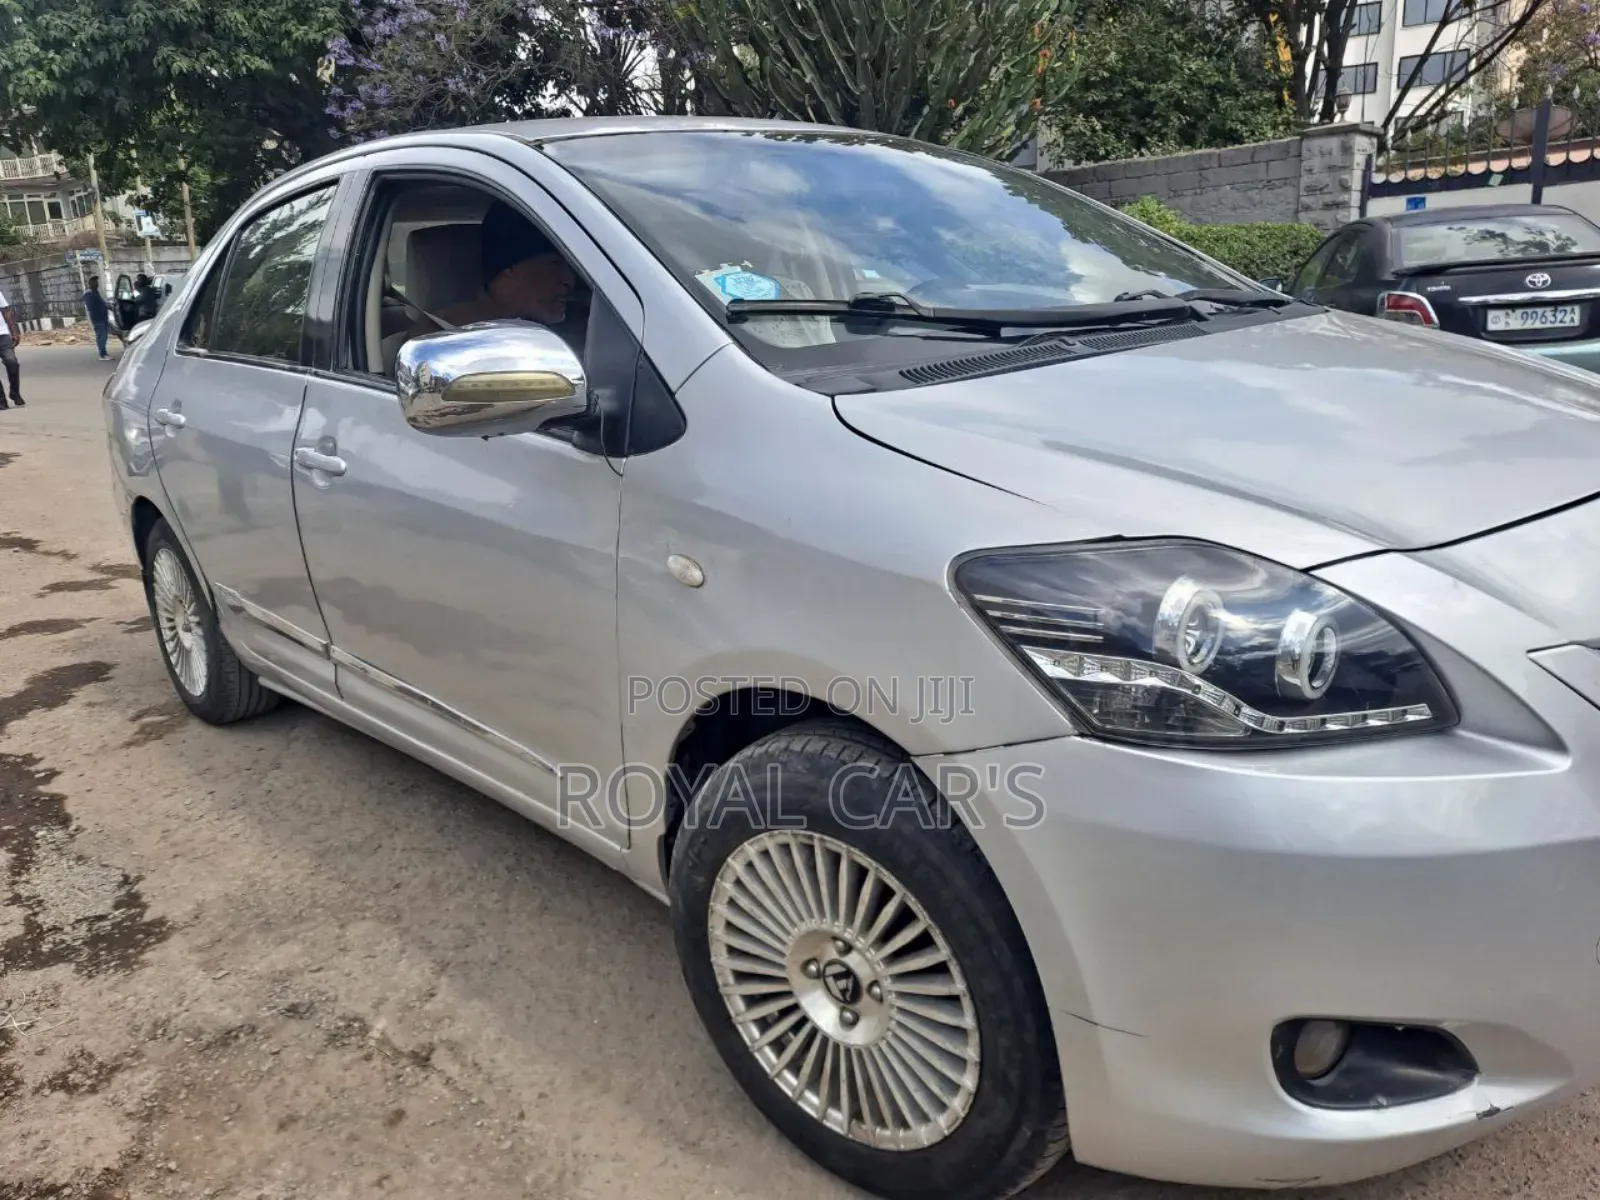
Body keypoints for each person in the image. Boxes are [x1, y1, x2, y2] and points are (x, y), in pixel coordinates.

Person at [407, 200, 575, 339]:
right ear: (509, 268)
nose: (569, 281)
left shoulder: (590, 328)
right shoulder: (444, 334)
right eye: (555, 264)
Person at [0, 287, 22, 410]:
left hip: (2, 334)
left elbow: (7, 310)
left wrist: (14, 331)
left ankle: (14, 392)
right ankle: (1, 401)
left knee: (12, 362)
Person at [83, 274, 111, 360]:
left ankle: (104, 353)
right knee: (101, 336)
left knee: (104, 336)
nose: (96, 283)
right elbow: (90, 306)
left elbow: (101, 303)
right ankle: (102, 355)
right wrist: (101, 307)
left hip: (102, 318)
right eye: (94, 282)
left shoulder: (96, 292)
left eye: (96, 282)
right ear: (90, 283)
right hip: (97, 318)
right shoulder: (88, 294)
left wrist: (106, 305)